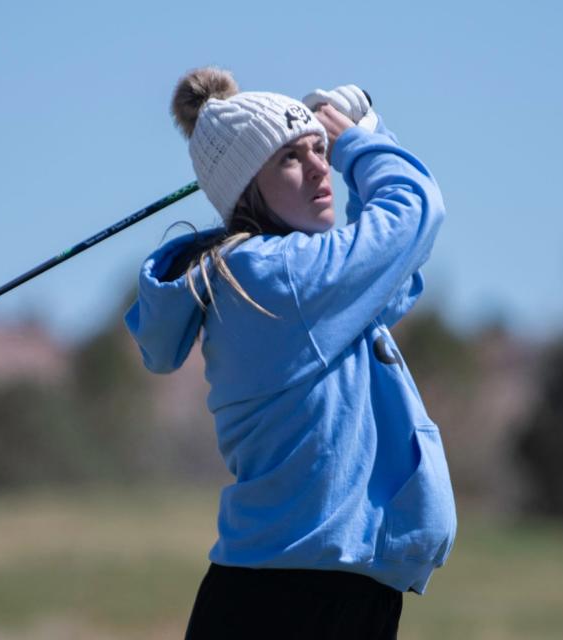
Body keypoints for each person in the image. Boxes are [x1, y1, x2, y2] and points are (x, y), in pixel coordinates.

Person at [124, 68, 457, 639]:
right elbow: (414, 213)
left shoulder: (292, 284)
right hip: (299, 596)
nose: (321, 167)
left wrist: (368, 135)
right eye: (289, 159)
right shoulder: (279, 279)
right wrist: (359, 142)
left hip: (302, 586)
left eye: (319, 150)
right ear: (246, 190)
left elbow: (396, 273)